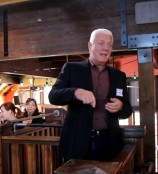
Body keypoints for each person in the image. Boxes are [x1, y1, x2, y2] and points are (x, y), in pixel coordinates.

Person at [48, 28, 133, 162]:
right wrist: (75, 92)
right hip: (77, 141)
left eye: (110, 45)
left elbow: (128, 111)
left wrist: (121, 106)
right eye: (101, 43)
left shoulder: (119, 76)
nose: (106, 48)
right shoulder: (71, 68)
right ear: (90, 45)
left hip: (108, 142)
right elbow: (53, 96)